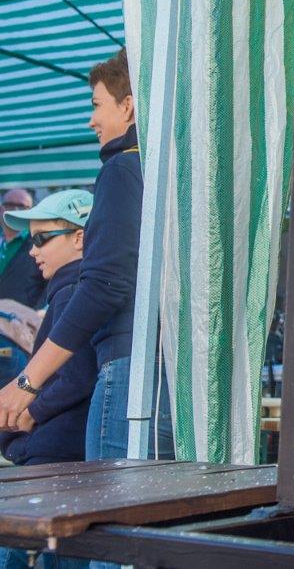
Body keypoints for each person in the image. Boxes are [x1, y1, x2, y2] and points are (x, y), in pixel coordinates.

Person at [0, 50, 172, 460]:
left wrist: (27, 383)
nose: (91, 119)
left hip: (130, 367)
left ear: (128, 105)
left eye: (97, 105)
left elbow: (105, 287)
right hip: (166, 368)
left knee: (114, 512)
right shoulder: (164, 170)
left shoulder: (122, 168)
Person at [0, 191, 96, 569]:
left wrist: (29, 413)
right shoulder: (69, 289)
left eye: (43, 238)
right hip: (59, 449)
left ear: (79, 237)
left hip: (58, 453)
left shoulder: (74, 291)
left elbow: (78, 374)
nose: (33, 249)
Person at [0, 188, 46, 309]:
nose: (15, 210)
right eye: (9, 205)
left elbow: (50, 289)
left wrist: (35, 316)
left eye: (21, 206)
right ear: (1, 209)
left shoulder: (41, 244)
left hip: (22, 324)